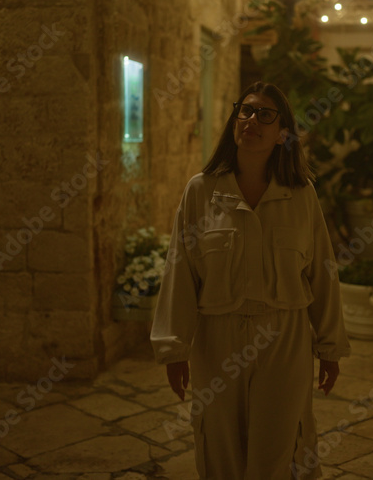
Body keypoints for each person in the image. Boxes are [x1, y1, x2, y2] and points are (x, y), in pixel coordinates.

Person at [150, 81, 351, 479]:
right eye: (245, 110)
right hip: (218, 339)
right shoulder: (202, 192)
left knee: (279, 448)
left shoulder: (300, 195)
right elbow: (181, 270)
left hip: (285, 339)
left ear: (283, 134)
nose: (251, 120)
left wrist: (330, 346)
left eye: (264, 114)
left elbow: (323, 272)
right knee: (219, 443)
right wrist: (175, 350)